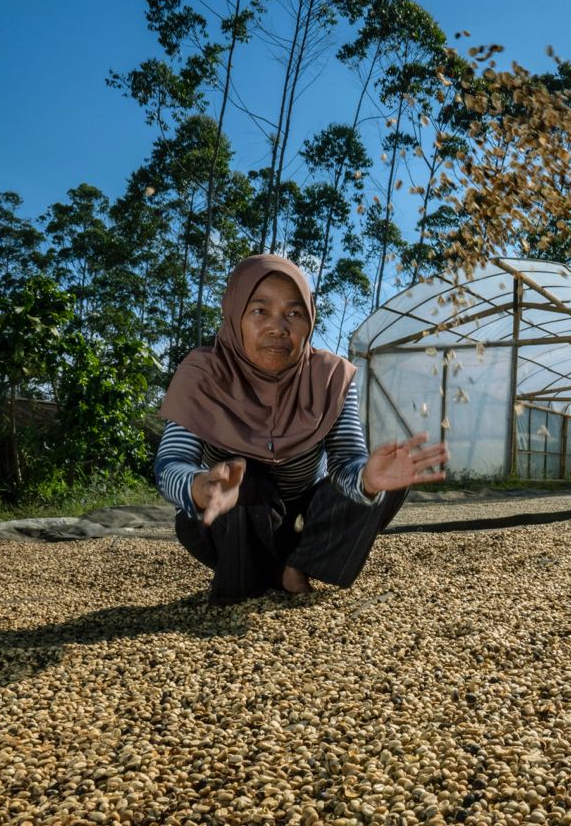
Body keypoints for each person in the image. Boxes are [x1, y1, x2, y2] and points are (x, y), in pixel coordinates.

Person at [154, 254, 447, 603]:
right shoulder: (202, 373)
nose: (278, 327)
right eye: (260, 311)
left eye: (293, 313)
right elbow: (170, 462)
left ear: (309, 321)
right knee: (246, 480)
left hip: (306, 521)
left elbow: (346, 462)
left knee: (384, 485)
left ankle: (295, 565)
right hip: (229, 521)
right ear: (234, 316)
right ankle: (254, 579)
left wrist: (367, 480)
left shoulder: (330, 377)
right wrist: (199, 487)